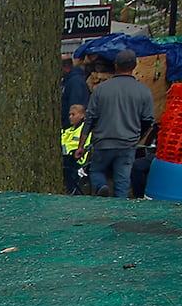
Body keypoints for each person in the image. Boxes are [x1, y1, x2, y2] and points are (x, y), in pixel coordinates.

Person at [78, 49, 154, 198]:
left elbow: (90, 118)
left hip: (103, 142)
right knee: (122, 182)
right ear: (134, 66)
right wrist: (138, 136)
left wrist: (81, 145)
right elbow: (148, 120)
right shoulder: (143, 91)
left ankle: (101, 186)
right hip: (128, 144)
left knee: (96, 171)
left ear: (116, 65)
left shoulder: (101, 89)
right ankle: (119, 212)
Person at [60, 103, 91, 195]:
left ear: (82, 115)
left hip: (77, 162)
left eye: (73, 114)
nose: (70, 117)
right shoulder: (67, 130)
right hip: (64, 159)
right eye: (69, 114)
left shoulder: (85, 130)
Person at [61, 55, 90, 129]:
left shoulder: (75, 82)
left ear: (65, 66)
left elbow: (76, 107)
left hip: (72, 128)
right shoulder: (68, 80)